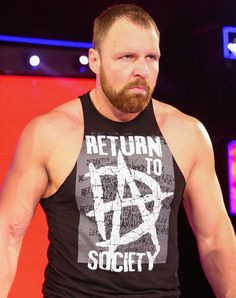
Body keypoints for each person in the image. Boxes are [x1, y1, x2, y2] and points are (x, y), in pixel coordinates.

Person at [0, 4, 236, 298]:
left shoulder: (186, 133)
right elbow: (7, 234)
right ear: (94, 60)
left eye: (152, 57)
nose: (142, 70)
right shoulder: (50, 133)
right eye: (127, 57)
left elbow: (214, 237)